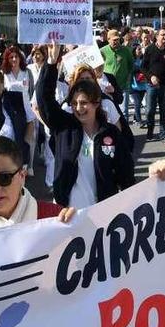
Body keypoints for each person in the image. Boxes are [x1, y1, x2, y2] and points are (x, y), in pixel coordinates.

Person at [36, 41, 135, 208]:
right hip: (69, 214)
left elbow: (125, 174)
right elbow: (44, 100)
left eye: (84, 103)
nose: (78, 108)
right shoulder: (65, 128)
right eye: (74, 103)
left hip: (102, 215)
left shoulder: (110, 133)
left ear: (96, 103)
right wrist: (51, 64)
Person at [1, 46, 38, 170]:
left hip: (27, 108)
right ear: (7, 59)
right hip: (12, 111)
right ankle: (15, 165)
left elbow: (31, 90)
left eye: (16, 56)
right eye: (11, 57)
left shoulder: (27, 72)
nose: (14, 59)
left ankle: (29, 165)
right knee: (15, 138)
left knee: (29, 139)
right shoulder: (4, 74)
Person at [140, 28, 165, 142]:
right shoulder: (150, 49)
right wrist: (151, 77)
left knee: (164, 110)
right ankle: (150, 130)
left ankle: (164, 134)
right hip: (151, 85)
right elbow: (143, 67)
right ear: (156, 37)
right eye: (162, 35)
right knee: (150, 110)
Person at [100, 30, 135, 121]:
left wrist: (128, 78)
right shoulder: (103, 51)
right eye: (114, 40)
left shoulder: (125, 50)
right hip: (108, 87)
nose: (116, 42)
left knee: (124, 112)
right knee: (111, 111)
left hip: (123, 86)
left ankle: (125, 133)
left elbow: (131, 65)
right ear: (108, 39)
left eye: (117, 39)